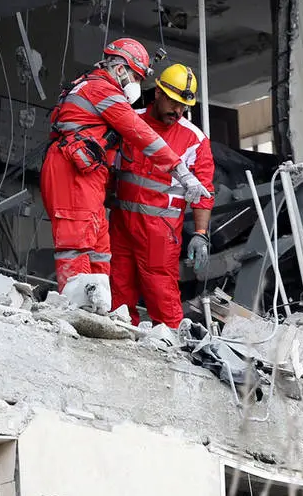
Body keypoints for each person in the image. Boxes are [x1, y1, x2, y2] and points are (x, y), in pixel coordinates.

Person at [40, 38, 210, 313]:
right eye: (135, 76)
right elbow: (138, 133)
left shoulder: (94, 88)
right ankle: (78, 312)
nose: (136, 84)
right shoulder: (102, 91)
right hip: (73, 174)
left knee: (98, 248)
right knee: (77, 245)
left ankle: (99, 314)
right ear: (120, 69)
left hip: (88, 176)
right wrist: (180, 171)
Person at [108, 62, 215, 328]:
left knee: (162, 295)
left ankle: (170, 349)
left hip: (160, 232)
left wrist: (201, 235)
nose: (178, 111)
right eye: (173, 102)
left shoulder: (195, 140)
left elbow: (203, 192)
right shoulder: (129, 121)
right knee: (117, 291)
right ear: (158, 93)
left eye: (183, 106)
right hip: (121, 223)